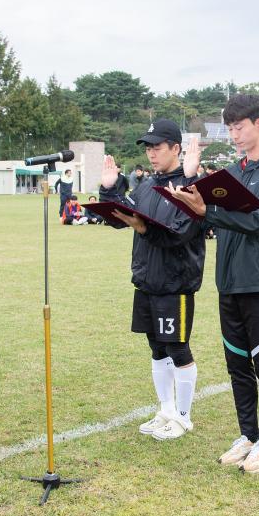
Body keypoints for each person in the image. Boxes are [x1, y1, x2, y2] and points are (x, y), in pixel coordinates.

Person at [170, 94, 259, 474]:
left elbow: (256, 220)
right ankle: (247, 435)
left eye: (239, 127)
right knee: (237, 367)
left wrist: (210, 210)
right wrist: (189, 194)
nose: (234, 134)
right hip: (230, 283)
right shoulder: (234, 173)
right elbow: (210, 222)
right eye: (230, 128)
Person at [100, 119, 205, 441]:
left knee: (177, 348)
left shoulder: (188, 188)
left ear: (176, 148)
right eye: (148, 148)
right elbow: (123, 218)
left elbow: (180, 234)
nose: (151, 154)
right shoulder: (146, 185)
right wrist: (109, 190)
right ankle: (166, 410)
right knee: (156, 348)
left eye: (157, 147)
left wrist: (144, 228)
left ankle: (184, 417)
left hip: (176, 284)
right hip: (146, 280)